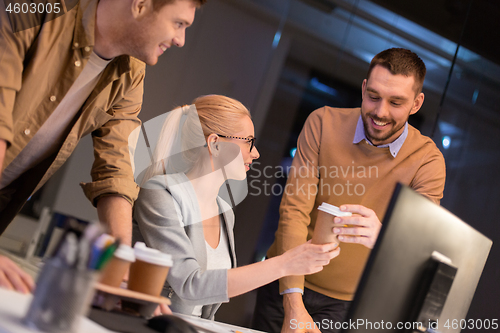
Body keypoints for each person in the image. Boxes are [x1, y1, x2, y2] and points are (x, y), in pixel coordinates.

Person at [0, 0, 204, 293]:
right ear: (141, 5)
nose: (180, 40)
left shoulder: (131, 73)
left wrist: (118, 270)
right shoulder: (32, 9)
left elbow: (116, 166)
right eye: (179, 24)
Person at [251, 48, 446, 333]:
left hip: (344, 304)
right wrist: (293, 302)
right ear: (364, 88)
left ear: (416, 104)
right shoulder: (322, 123)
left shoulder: (428, 161)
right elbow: (294, 211)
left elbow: (419, 247)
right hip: (285, 280)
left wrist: (384, 236)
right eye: (374, 96)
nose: (380, 112)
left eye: (396, 102)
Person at [133, 95, 340, 320]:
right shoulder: (160, 193)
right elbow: (190, 285)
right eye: (248, 141)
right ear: (215, 144)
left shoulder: (224, 212)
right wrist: (285, 264)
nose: (255, 153)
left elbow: (206, 305)